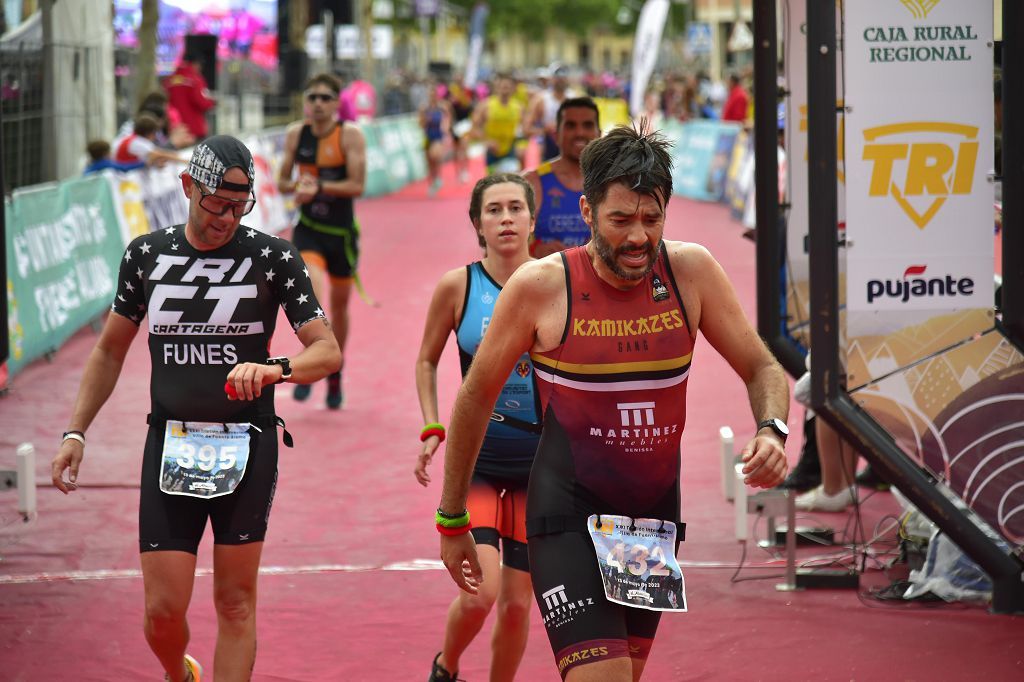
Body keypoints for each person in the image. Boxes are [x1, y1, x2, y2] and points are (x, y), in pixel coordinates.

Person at [436, 124, 790, 681]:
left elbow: (762, 366)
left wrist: (772, 428)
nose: (637, 238)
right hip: (565, 517)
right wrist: (452, 516)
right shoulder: (541, 287)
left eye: (652, 220)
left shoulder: (690, 272)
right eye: (620, 220)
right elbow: (475, 398)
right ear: (586, 211)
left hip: (650, 524)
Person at [50, 135, 342, 682]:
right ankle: (177, 672)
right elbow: (109, 348)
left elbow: (327, 351)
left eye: (241, 205)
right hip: (171, 443)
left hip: (248, 445)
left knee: (234, 602)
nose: (228, 218)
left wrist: (275, 368)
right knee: (162, 613)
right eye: (217, 204)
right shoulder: (146, 255)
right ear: (188, 187)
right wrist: (76, 432)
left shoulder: (274, 258)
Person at [415, 174, 541, 682]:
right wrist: (432, 426)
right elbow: (426, 361)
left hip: (540, 467)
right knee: (481, 593)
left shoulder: (556, 282)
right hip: (480, 464)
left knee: (516, 606)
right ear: (478, 224)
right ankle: (447, 666)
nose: (506, 218)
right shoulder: (458, 286)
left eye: (515, 208)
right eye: (494, 210)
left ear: (533, 219)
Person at [278, 73, 367, 409]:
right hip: (309, 229)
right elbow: (282, 180)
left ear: (336, 102)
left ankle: (334, 372)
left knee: (340, 307)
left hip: (341, 233)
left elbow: (357, 185)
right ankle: (309, 362)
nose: (318, 104)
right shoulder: (295, 134)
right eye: (312, 97)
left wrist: (319, 188)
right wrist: (297, 188)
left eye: (325, 98)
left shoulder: (349, 135)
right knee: (312, 294)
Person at [523, 97, 601, 258]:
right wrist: (533, 248)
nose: (579, 133)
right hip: (544, 279)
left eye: (587, 125)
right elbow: (503, 242)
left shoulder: (612, 182)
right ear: (556, 134)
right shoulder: (532, 182)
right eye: (570, 125)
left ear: (599, 134)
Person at [471, 73, 525, 174]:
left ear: (513, 88)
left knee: (511, 179)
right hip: (492, 151)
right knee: (493, 183)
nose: (505, 89)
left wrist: (521, 145)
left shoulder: (519, 107)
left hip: (510, 149)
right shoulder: (485, 105)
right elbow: (475, 128)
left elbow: (523, 130)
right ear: (496, 88)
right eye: (502, 86)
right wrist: (487, 141)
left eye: (508, 87)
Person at [524, 65, 577, 162]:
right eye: (558, 78)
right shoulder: (541, 100)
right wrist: (544, 130)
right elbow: (527, 129)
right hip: (549, 148)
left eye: (563, 78)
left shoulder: (575, 98)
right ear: (551, 79)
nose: (561, 80)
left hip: (570, 147)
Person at [165, 47, 217, 141]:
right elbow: (201, 102)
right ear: (196, 64)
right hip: (194, 128)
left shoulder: (170, 80)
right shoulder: (195, 79)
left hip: (177, 129)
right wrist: (212, 102)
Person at [112, 113, 188, 168]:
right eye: (154, 133)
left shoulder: (134, 139)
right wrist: (183, 160)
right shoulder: (137, 142)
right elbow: (159, 153)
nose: (155, 137)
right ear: (149, 133)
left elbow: (153, 158)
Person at [420, 83, 453, 196]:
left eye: (434, 94)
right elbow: (420, 124)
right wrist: (425, 120)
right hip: (428, 136)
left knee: (436, 156)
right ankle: (432, 183)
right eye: (430, 94)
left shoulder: (442, 107)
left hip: (438, 136)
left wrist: (446, 129)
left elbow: (448, 119)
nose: (432, 96)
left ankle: (438, 177)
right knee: (429, 162)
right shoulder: (424, 108)